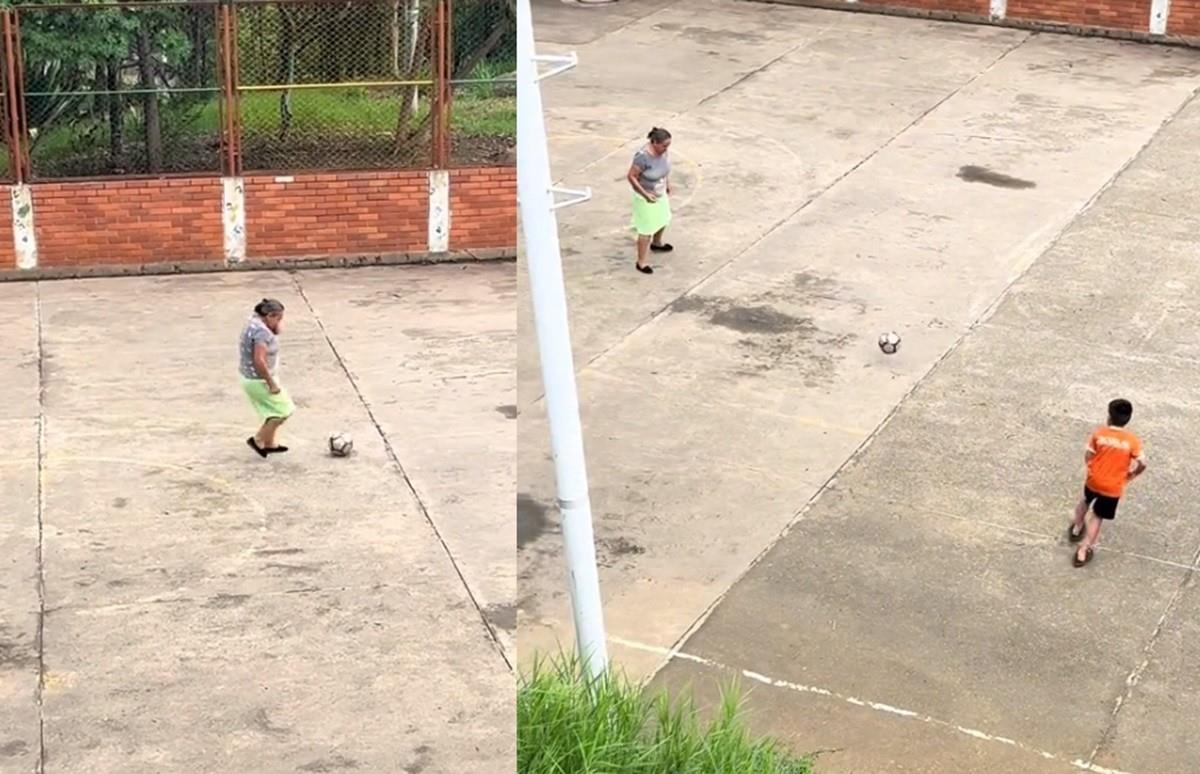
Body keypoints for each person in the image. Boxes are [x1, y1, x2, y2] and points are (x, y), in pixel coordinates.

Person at [1069, 398, 1146, 567]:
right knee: (1097, 516)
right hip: (1113, 486)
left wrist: (1091, 468)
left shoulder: (1099, 434)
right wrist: (1133, 474)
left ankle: (1076, 527)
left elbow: (1088, 454)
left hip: (1094, 480)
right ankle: (1083, 551)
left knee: (1085, 500)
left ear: (1109, 417)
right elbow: (1143, 462)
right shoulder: (1131, 440)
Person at [239, 298, 294, 457]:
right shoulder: (262, 332)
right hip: (259, 380)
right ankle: (258, 440)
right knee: (283, 411)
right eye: (278, 318)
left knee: (274, 412)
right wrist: (270, 383)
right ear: (269, 316)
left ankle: (269, 443)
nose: (280, 322)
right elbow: (259, 360)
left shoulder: (253, 322)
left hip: (249, 378)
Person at [627, 127, 674, 274]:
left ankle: (657, 243)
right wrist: (645, 194)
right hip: (645, 197)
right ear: (654, 142)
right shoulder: (642, 157)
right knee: (645, 229)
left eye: (668, 145)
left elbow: (665, 168)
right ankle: (641, 262)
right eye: (663, 145)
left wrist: (667, 183)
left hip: (659, 192)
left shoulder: (663, 152)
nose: (666, 148)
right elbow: (631, 176)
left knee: (663, 219)